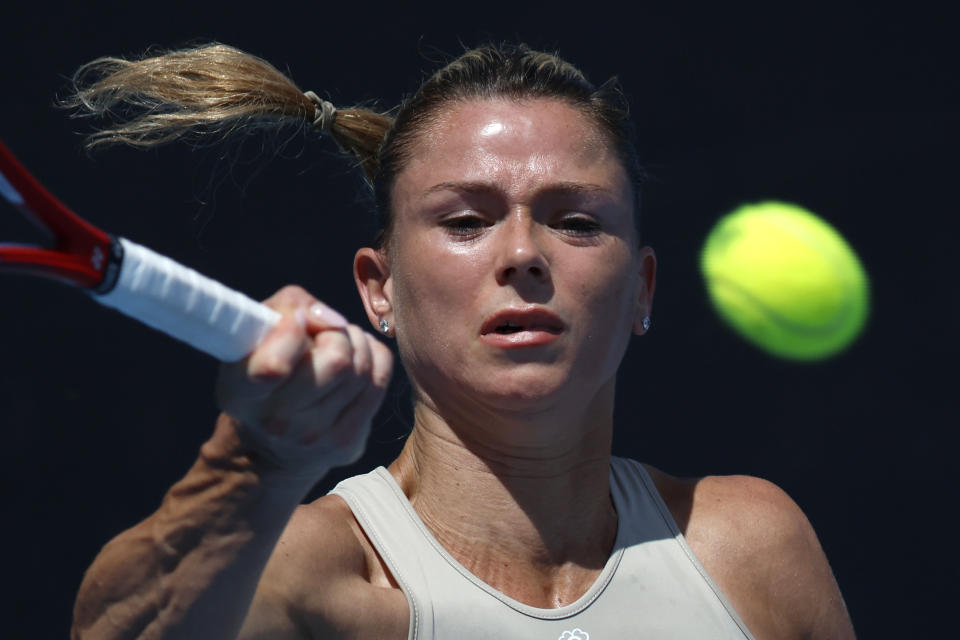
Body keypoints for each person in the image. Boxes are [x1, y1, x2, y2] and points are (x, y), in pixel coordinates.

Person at [68, 43, 855, 639]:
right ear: (380, 289)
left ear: (641, 290)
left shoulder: (753, 544)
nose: (523, 254)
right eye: (466, 222)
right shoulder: (306, 571)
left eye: (577, 220)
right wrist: (252, 466)